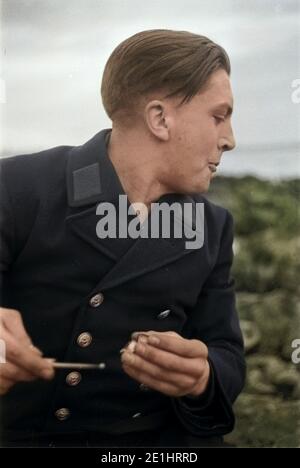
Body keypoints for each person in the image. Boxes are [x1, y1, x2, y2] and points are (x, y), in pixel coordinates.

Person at [0, 29, 245, 447]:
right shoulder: (17, 188)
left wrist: (203, 376)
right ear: (160, 118)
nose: (230, 140)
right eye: (218, 116)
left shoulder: (212, 226)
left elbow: (225, 349)